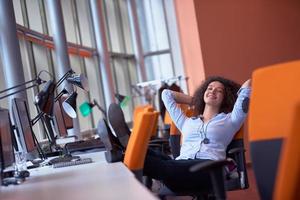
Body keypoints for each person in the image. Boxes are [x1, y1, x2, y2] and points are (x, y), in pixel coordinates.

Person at [142, 76, 251, 192]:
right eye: (209, 88)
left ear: (225, 98)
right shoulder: (186, 122)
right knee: (143, 152)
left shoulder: (231, 120)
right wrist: (196, 100)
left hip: (210, 167)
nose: (213, 91)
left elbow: (247, 85)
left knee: (163, 166)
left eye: (219, 91)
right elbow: (166, 94)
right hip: (181, 164)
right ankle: (124, 148)